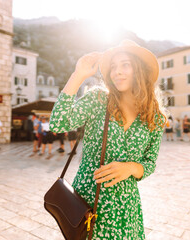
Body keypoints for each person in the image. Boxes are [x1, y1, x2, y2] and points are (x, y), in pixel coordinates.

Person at [49, 40, 166, 239]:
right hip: (89, 205)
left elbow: (149, 163)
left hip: (126, 211)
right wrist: (78, 76)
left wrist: (130, 168)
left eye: (125, 65)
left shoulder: (154, 117)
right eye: (113, 67)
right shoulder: (98, 100)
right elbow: (58, 123)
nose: (117, 72)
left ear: (140, 71)